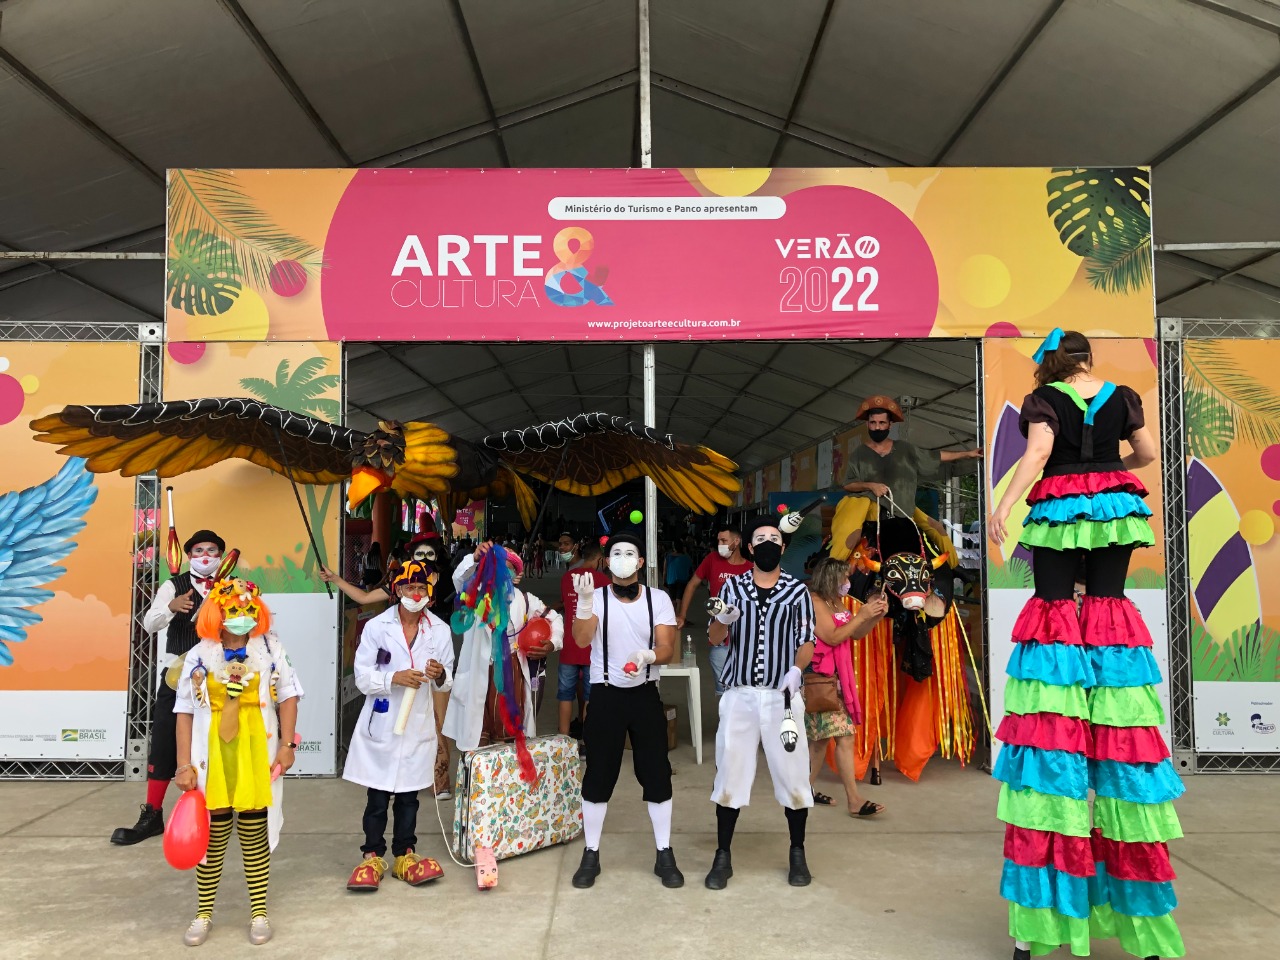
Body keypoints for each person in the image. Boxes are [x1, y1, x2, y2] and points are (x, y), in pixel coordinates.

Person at [989, 329, 1182, 960]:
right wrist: (1107, 472)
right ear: (1090, 360)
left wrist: (1005, 504)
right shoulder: (1124, 395)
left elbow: (1039, 454)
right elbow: (1147, 454)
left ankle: (1040, 934)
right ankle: (1112, 715)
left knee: (1050, 614)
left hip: (1058, 509)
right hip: (1115, 509)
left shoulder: (1043, 400)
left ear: (1050, 364)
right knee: (1107, 608)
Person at [173, 578, 302, 946]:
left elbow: (290, 695)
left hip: (256, 753)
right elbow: (183, 710)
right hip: (212, 755)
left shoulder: (272, 649)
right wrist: (184, 764)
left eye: (248, 610)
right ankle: (203, 914)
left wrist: (288, 744)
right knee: (210, 838)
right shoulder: (199, 653)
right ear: (217, 613)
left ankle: (259, 912)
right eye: (233, 611)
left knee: (254, 831)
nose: (241, 617)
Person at [704, 516, 816, 890]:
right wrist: (723, 618)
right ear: (750, 548)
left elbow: (806, 640)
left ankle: (797, 851)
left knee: (793, 772)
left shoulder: (798, 591)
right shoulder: (732, 587)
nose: (767, 543)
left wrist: (798, 670)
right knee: (730, 771)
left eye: (774, 538)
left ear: (783, 548)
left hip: (782, 697)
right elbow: (715, 637)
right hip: (740, 695)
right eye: (760, 539)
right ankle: (723, 855)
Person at [569, 533, 683, 889]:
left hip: (645, 695)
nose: (621, 558)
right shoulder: (596, 597)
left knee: (657, 773)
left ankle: (664, 851)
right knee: (599, 775)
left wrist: (649, 656)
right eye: (615, 553)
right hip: (604, 696)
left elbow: (667, 647)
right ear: (606, 561)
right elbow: (582, 640)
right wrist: (585, 604)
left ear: (640, 562)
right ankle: (591, 852)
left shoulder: (659, 599)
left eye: (628, 553)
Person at [321, 531, 457, 799]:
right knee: (398, 723)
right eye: (420, 554)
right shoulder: (400, 581)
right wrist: (336, 579)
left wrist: (441, 671)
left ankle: (439, 780)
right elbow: (363, 598)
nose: (425, 559)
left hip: (436, 648)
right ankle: (395, 776)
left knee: (437, 724)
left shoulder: (445, 577)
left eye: (431, 554)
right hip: (402, 657)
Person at [344, 560, 454, 892]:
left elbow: (447, 681)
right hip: (382, 720)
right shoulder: (377, 627)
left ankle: (405, 853)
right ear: (397, 590)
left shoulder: (440, 630)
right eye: (410, 588)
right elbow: (362, 677)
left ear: (430, 594)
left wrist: (439, 675)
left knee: (409, 797)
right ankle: (372, 855)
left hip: (417, 725)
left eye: (422, 588)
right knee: (377, 796)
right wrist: (394, 677)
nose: (416, 594)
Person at [111, 529, 226, 846]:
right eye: (199, 549)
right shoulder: (173, 586)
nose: (205, 555)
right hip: (179, 675)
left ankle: (223, 814)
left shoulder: (231, 586)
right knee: (163, 741)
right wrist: (172, 606)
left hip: (222, 676)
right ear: (188, 555)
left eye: (212, 550)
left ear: (220, 555)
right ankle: (152, 814)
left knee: (221, 741)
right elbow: (149, 624)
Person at [444, 542, 562, 755]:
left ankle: (501, 781)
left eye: (507, 568)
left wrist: (553, 644)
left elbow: (554, 618)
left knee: (505, 732)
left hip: (510, 671)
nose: (501, 572)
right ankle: (476, 783)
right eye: (495, 566)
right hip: (477, 668)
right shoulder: (474, 594)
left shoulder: (526, 600)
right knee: (476, 730)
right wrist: (475, 558)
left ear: (516, 575)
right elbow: (458, 578)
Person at [805, 558, 888, 817]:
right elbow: (832, 636)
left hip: (837, 680)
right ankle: (853, 800)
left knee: (819, 741)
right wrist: (862, 614)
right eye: (843, 578)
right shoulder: (815, 602)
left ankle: (803, 789)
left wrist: (874, 617)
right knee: (844, 736)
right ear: (831, 578)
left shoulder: (836, 601)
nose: (847, 582)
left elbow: (855, 634)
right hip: (820, 678)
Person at [676, 524, 752, 695]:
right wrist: (682, 615)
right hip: (719, 635)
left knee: (745, 688)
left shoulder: (750, 569)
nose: (720, 544)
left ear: (737, 541)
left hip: (746, 638)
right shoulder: (712, 559)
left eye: (724, 540)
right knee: (724, 691)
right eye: (718, 540)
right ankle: (725, 721)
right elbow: (692, 584)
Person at [558, 539, 610, 737]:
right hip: (591, 648)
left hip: (569, 647)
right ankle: (589, 741)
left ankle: (563, 742)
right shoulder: (603, 581)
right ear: (598, 559)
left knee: (564, 695)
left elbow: (566, 604)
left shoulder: (567, 578)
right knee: (590, 696)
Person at [663, 541, 693, 605]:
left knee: (673, 599)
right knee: (679, 598)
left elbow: (664, 571)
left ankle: (673, 613)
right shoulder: (686, 557)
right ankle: (679, 613)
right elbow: (691, 567)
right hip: (683, 580)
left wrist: (664, 580)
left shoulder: (668, 557)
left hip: (671, 580)